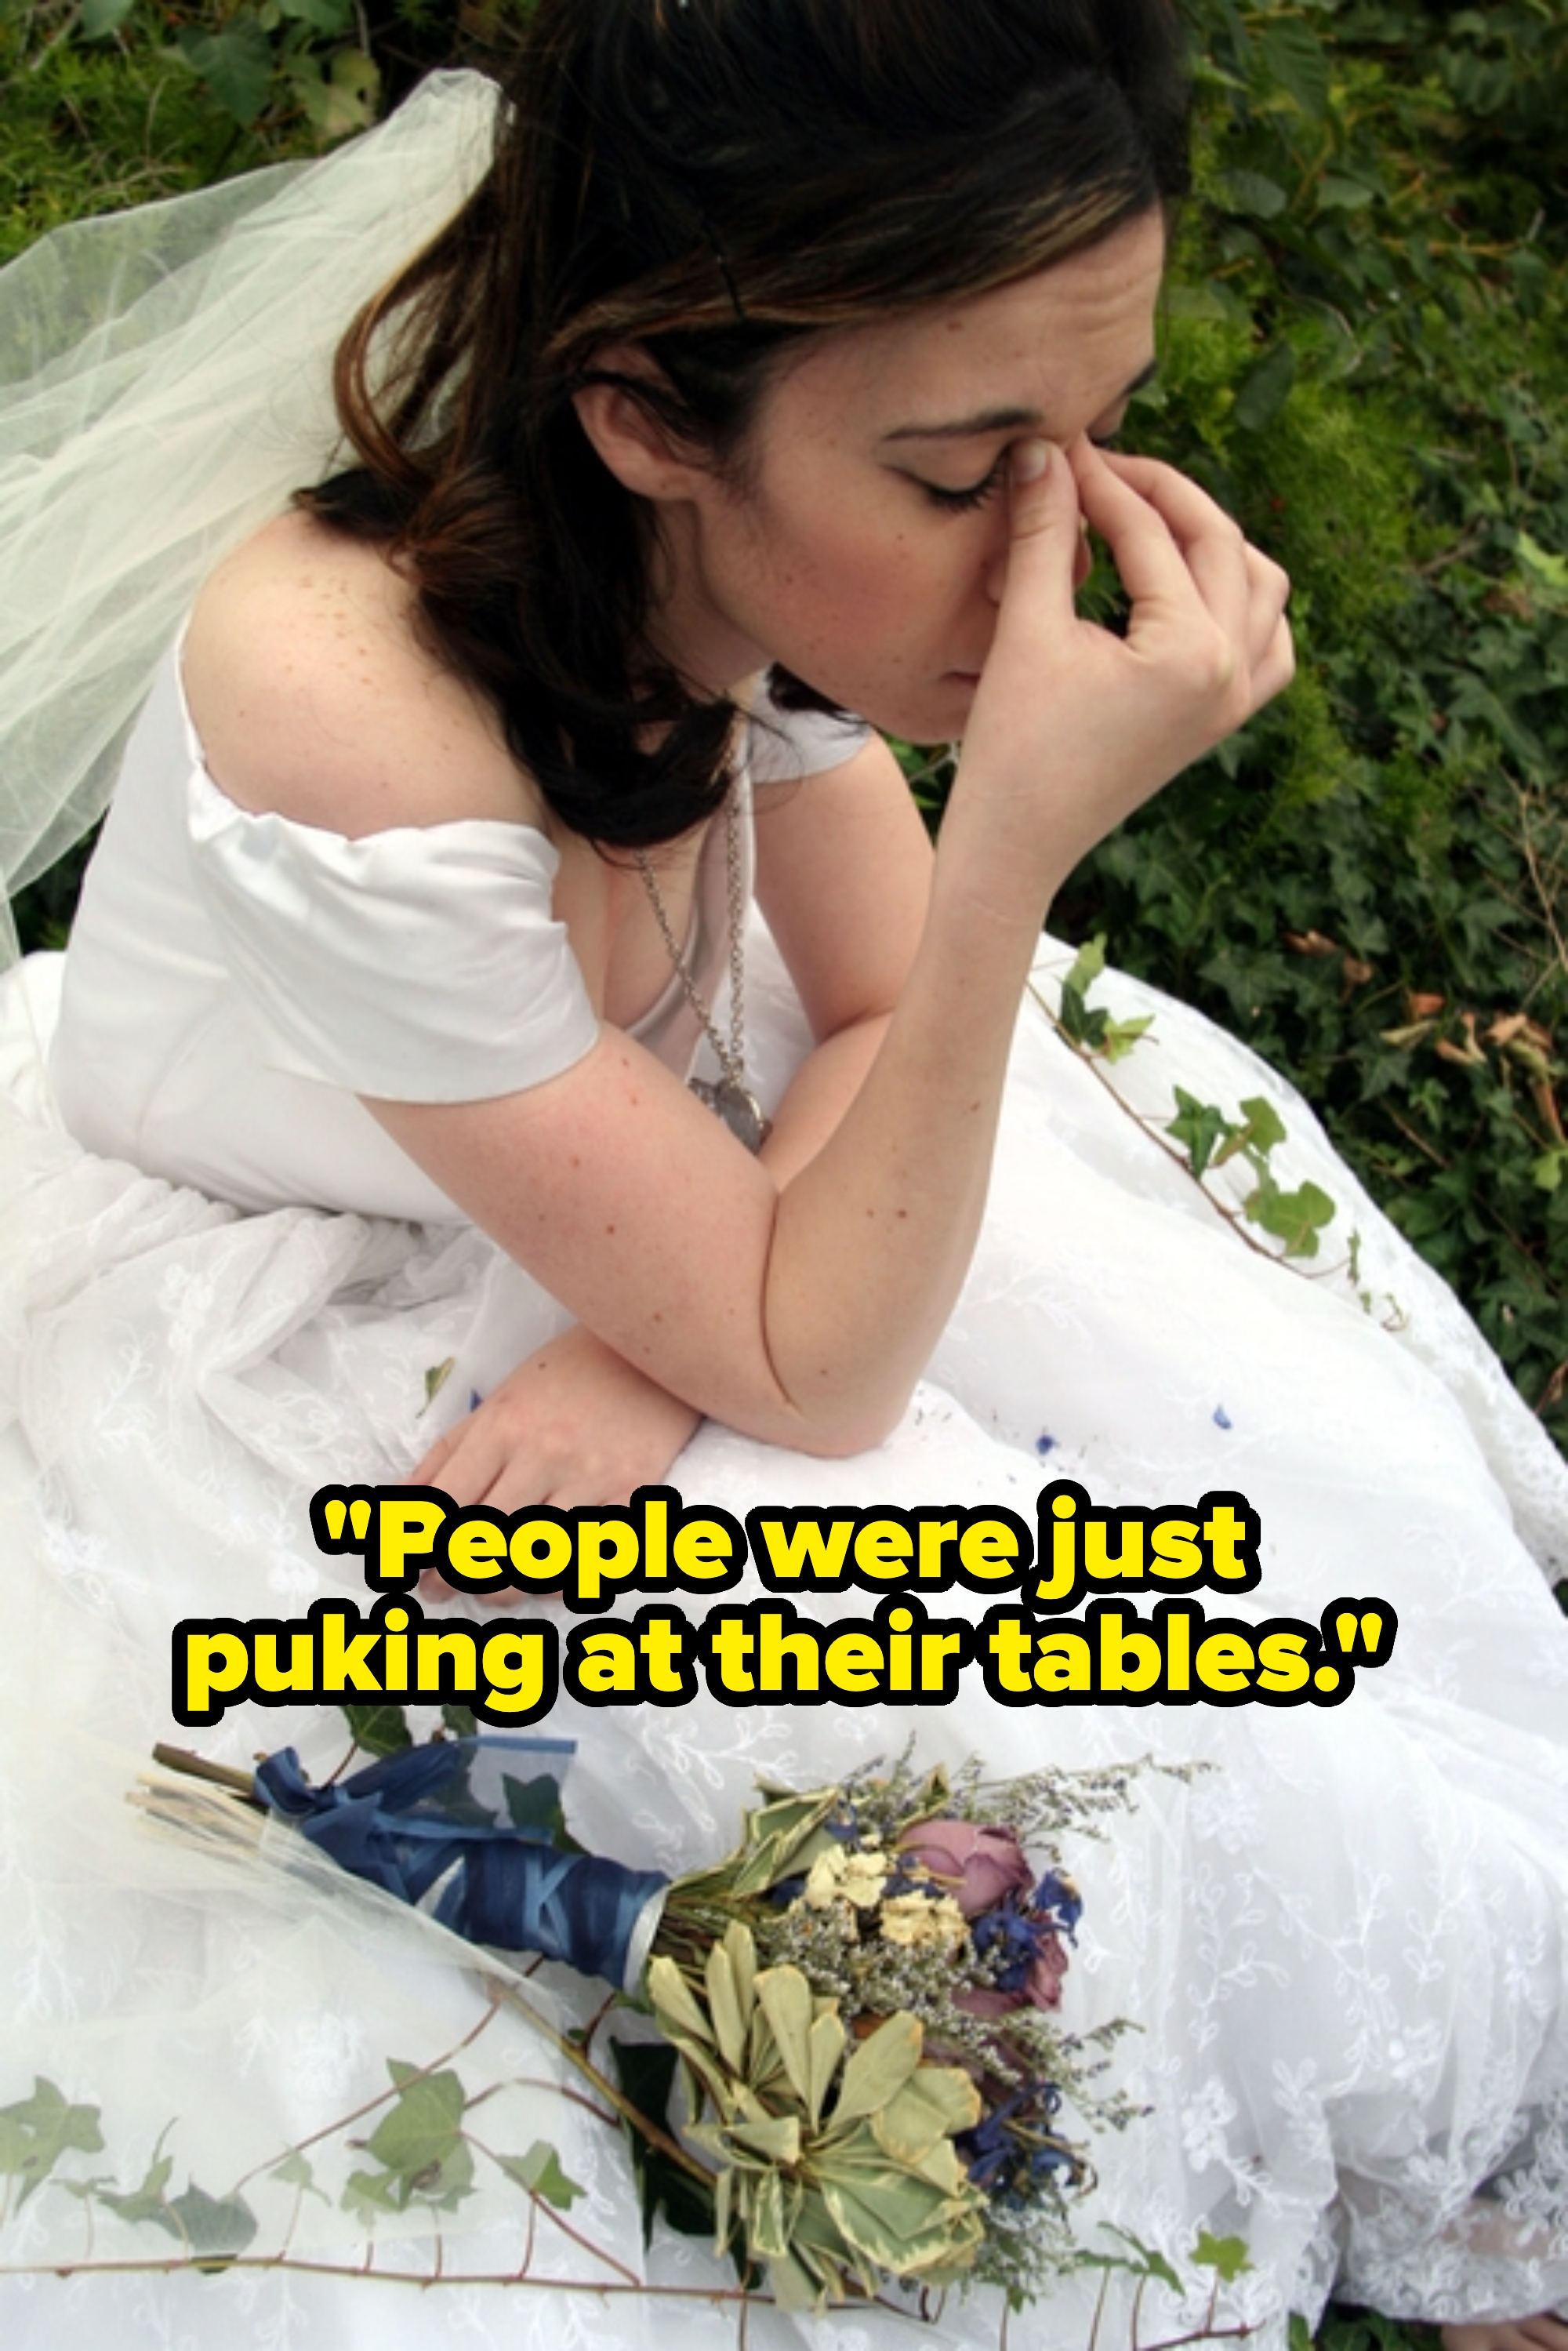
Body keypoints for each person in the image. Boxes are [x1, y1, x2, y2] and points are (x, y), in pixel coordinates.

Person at [0, 5, 1564, 2349]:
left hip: (662, 1190)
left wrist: (671, 1335)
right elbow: (826, 1314)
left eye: (1095, 436)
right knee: (1006, 1707)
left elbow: (873, 1010)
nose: (1053, 556)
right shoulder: (349, 709)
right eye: (964, 476)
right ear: (647, 414)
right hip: (314, 1271)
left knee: (1186, 1611)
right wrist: (1010, 844)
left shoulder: (762, 560)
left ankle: (1431, 2135)